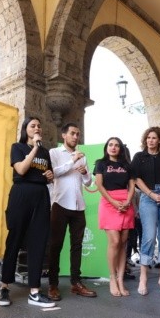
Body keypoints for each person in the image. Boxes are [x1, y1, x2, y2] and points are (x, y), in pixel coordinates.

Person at [0, 117, 55, 307]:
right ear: (25, 129)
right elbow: (21, 169)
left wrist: (50, 176)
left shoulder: (45, 152)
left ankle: (35, 291)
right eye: (33, 125)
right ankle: (4, 287)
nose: (37, 128)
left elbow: (47, 174)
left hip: (40, 195)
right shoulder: (18, 147)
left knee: (38, 242)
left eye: (39, 125)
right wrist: (35, 148)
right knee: (14, 240)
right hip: (21, 194)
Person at [47, 123, 97, 301]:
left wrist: (84, 173)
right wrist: (72, 161)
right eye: (73, 133)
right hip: (60, 203)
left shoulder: (82, 156)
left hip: (78, 206)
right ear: (64, 135)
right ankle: (53, 284)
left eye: (78, 134)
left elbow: (88, 182)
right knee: (56, 245)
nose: (76, 137)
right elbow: (53, 173)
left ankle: (76, 283)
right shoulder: (54, 153)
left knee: (77, 246)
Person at [130, 127, 160, 296]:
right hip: (148, 197)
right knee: (148, 237)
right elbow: (136, 179)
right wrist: (152, 194)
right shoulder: (139, 157)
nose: (150, 140)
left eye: (154, 138)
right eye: (148, 137)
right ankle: (143, 278)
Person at [95, 137, 135, 297]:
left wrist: (128, 201)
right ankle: (112, 278)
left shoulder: (127, 165)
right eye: (111, 145)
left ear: (120, 149)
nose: (113, 147)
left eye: (117, 145)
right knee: (115, 241)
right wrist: (113, 201)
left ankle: (120, 280)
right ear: (107, 147)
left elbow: (132, 185)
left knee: (123, 244)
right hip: (108, 202)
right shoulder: (101, 163)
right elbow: (99, 185)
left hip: (125, 203)